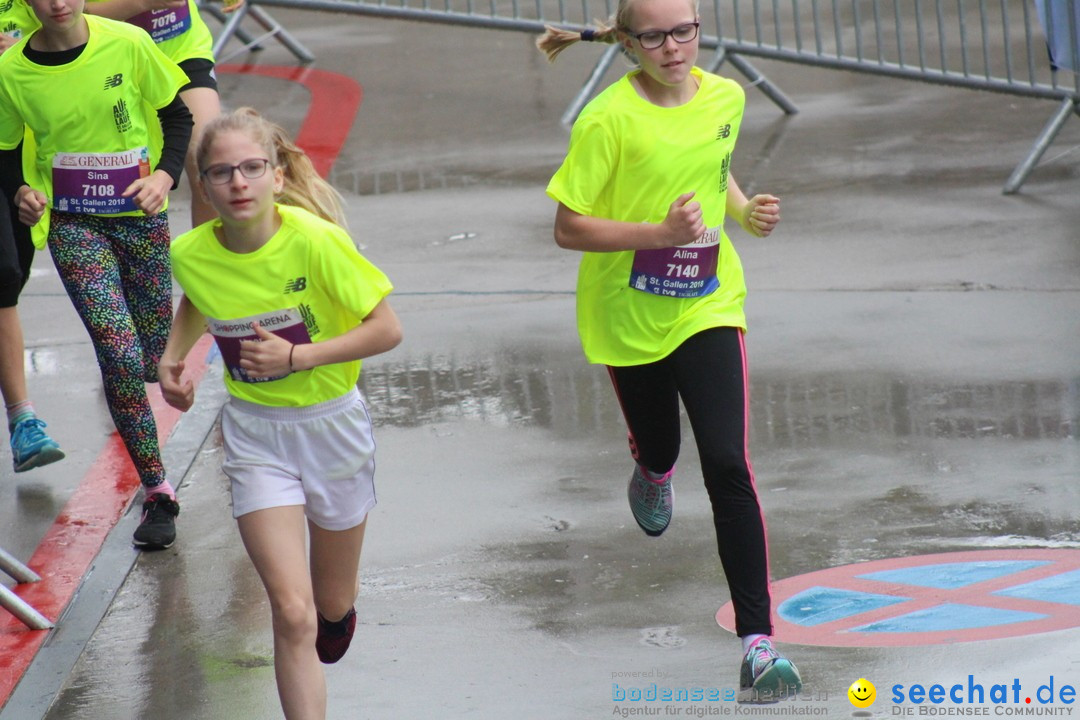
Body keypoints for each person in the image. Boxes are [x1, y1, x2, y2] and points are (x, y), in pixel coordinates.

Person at [538, 0, 802, 702]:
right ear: (628, 43)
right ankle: (651, 467)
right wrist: (658, 234)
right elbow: (567, 228)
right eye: (653, 36)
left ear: (699, 30)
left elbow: (715, 167)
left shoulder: (726, 95)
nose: (672, 46)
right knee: (663, 444)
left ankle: (757, 645)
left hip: (709, 302)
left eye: (683, 30)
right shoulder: (607, 119)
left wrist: (743, 212)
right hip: (628, 312)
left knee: (726, 459)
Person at [158, 108, 401, 720]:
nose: (238, 182)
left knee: (327, 605)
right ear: (205, 187)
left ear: (276, 174)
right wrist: (173, 356)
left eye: (251, 168)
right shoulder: (189, 252)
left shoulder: (316, 242)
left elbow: (387, 330)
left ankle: (338, 614)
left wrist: (297, 356)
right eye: (221, 173)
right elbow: (202, 296)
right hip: (256, 435)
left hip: (333, 427)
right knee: (289, 611)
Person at [0, 0, 193, 548]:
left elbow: (177, 116)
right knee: (120, 353)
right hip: (74, 225)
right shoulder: (12, 72)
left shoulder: (127, 44)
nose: (58, 1)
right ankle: (157, 489)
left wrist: (164, 176)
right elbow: (4, 149)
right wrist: (21, 191)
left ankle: (160, 373)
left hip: (140, 217)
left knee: (155, 358)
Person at [85, 0, 242, 227]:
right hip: (111, 58)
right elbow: (69, 12)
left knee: (208, 158)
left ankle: (211, 258)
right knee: (120, 173)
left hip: (181, 49)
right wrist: (143, 3)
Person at [0, 0, 65, 473]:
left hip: (15, 146)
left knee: (12, 272)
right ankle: (24, 418)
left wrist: (27, 49)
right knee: (1, 276)